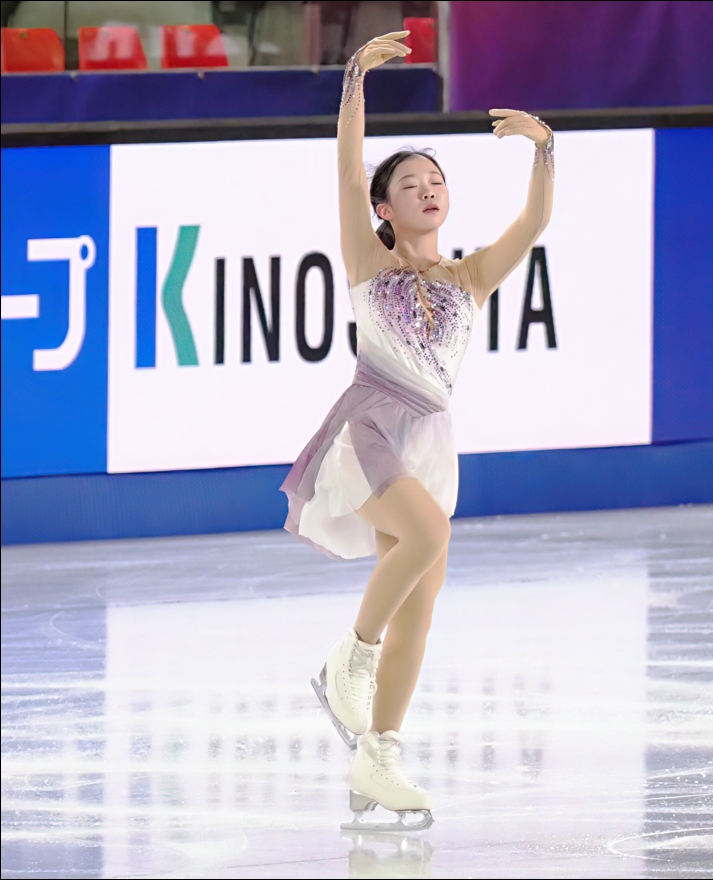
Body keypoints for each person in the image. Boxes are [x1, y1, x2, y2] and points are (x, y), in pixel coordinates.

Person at [279, 30, 555, 830]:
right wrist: (354, 82)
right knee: (429, 536)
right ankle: (349, 660)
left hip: (429, 442)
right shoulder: (368, 263)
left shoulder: (469, 278)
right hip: (368, 427)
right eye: (410, 183)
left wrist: (545, 149)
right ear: (384, 207)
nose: (428, 190)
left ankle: (379, 756)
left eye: (436, 181)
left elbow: (534, 221)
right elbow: (346, 170)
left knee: (421, 610)